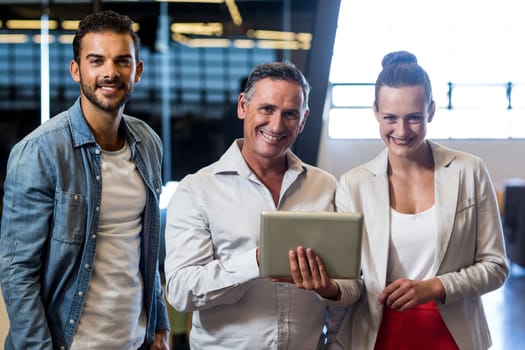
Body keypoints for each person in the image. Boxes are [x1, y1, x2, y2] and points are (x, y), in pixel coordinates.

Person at [0, 10, 170, 349]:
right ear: (76, 70)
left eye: (122, 61)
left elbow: (145, 250)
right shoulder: (39, 152)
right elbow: (17, 272)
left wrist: (160, 326)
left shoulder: (148, 142)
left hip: (136, 340)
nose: (110, 72)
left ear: (137, 71)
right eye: (97, 61)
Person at [163, 61, 361, 349]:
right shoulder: (197, 190)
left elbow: (353, 285)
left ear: (303, 119)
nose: (277, 125)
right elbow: (181, 291)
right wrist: (257, 261)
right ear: (243, 106)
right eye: (267, 109)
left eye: (290, 114)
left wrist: (327, 288)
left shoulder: (326, 186)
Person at [331, 51, 509, 349]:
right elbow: (350, 281)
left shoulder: (469, 170)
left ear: (431, 111)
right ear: (375, 112)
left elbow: (495, 266)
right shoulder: (353, 185)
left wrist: (436, 286)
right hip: (379, 335)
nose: (401, 131)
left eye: (414, 118)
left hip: (453, 336)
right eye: (390, 118)